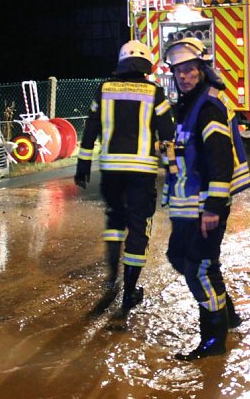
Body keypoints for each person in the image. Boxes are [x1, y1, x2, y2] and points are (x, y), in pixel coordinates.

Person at [162, 37, 250, 361]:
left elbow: (219, 160)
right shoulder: (189, 104)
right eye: (179, 72)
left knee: (199, 270)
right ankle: (229, 317)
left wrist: (213, 208)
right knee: (184, 258)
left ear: (201, 70)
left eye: (190, 70)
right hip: (189, 207)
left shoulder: (208, 106)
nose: (184, 76)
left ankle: (214, 342)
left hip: (205, 208)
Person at [74, 40, 175, 313]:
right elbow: (168, 133)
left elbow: (91, 128)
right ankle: (129, 293)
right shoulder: (155, 92)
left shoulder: (104, 89)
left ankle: (111, 278)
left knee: (115, 220)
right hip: (141, 172)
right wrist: (173, 169)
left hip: (111, 171)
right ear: (145, 64)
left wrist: (82, 165)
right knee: (138, 228)